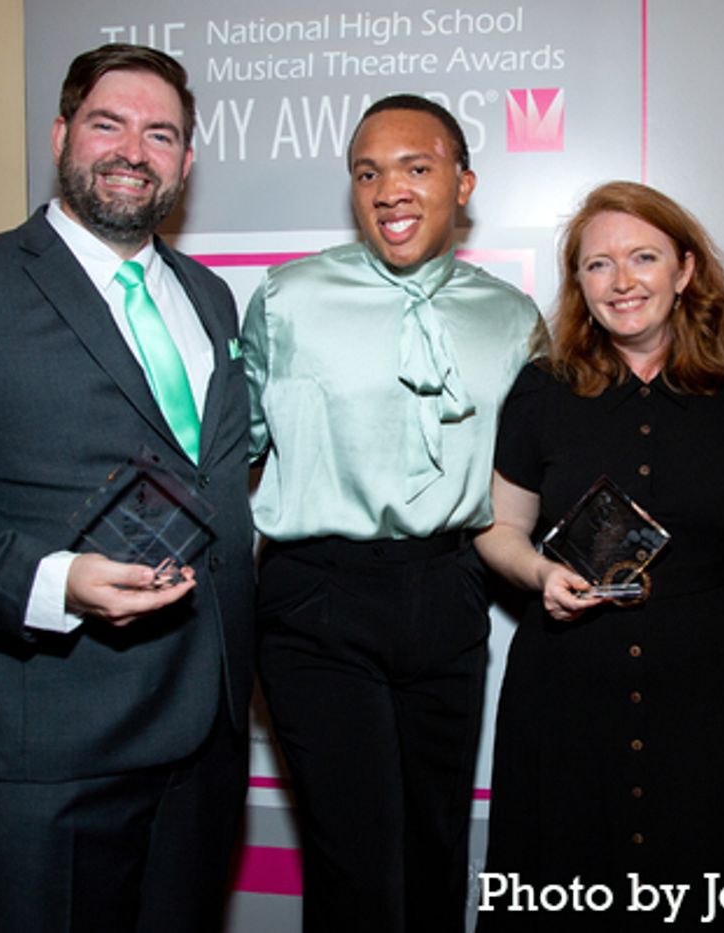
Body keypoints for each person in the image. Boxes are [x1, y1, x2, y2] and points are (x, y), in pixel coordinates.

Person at [0, 44, 253, 933]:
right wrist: (53, 581)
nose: (133, 151)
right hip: (54, 743)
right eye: (109, 123)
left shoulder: (211, 298)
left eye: (161, 134)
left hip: (205, 735)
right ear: (62, 133)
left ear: (187, 159)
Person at [241, 94, 540, 933]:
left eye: (416, 166)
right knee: (356, 862)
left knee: (437, 846)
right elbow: (235, 447)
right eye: (368, 172)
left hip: (449, 586)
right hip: (316, 596)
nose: (389, 190)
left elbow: (539, 467)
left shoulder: (513, 320)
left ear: (464, 182)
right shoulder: (287, 298)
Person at [473, 181, 724, 931]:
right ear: (579, 284)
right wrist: (540, 571)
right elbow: (496, 529)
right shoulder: (544, 391)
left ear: (686, 270)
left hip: (704, 697)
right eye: (598, 264)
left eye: (643, 257)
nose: (623, 280)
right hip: (566, 695)